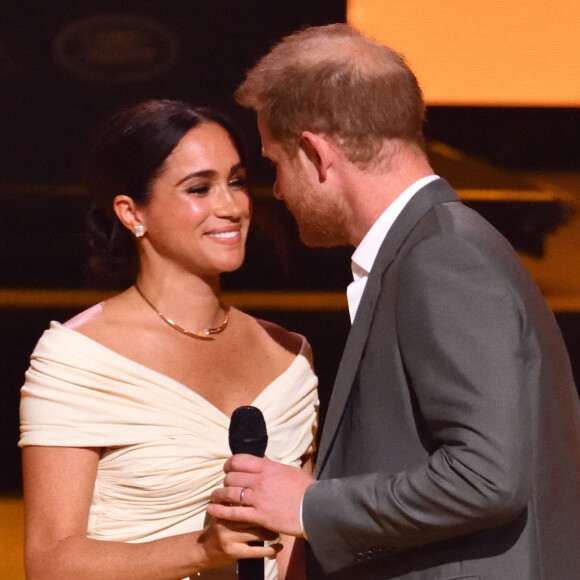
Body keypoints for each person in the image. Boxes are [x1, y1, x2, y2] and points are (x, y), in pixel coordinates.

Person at [207, 23, 580, 579]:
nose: (277, 190)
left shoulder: (442, 259)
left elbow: (487, 477)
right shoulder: (435, 246)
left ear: (315, 153)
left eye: (275, 165)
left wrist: (308, 505)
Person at [19, 99, 318, 580]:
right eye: (200, 188)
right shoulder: (77, 358)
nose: (231, 206)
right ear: (132, 212)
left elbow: (297, 547)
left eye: (237, 181)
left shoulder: (289, 355)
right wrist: (203, 549)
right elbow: (50, 563)